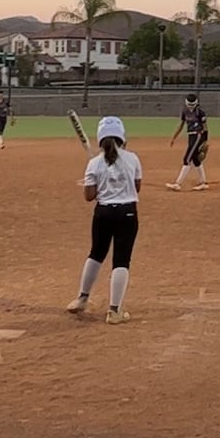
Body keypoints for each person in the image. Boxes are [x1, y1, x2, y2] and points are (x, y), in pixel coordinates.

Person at [68, 116, 142, 324]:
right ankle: (114, 310)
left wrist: (97, 183)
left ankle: (82, 298)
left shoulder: (94, 163)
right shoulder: (133, 159)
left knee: (96, 254)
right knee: (121, 260)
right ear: (122, 137)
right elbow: (137, 187)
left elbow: (89, 196)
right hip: (127, 213)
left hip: (103, 213)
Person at [165, 93, 210, 192]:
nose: (191, 106)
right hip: (191, 136)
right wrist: (174, 137)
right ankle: (203, 183)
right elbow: (181, 125)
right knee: (195, 160)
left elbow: (205, 127)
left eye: (192, 104)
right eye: (189, 104)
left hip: (198, 135)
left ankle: (178, 184)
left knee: (187, 159)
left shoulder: (200, 112)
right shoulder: (184, 111)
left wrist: (205, 141)